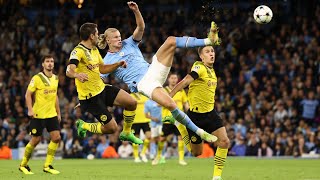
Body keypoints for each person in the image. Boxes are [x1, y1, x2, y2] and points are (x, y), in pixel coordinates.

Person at [99, 1, 221, 143]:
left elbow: (141, 27)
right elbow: (99, 80)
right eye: (115, 38)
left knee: (170, 41)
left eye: (119, 36)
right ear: (108, 40)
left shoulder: (129, 43)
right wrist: (91, 99)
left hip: (153, 69)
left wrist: (136, 11)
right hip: (143, 84)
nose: (119, 39)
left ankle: (209, 40)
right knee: (171, 105)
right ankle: (200, 132)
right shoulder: (106, 60)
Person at [66, 22, 142, 144]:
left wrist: (118, 64)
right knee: (112, 128)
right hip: (91, 98)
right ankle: (84, 126)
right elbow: (69, 70)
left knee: (131, 103)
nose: (98, 36)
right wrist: (76, 74)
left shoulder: (94, 50)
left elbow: (102, 69)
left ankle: (127, 132)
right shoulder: (78, 51)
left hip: (102, 89)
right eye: (97, 34)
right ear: (91, 36)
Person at [165, 46, 230, 180]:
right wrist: (169, 95)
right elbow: (185, 82)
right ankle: (181, 126)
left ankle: (217, 177)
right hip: (195, 117)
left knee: (224, 141)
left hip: (211, 114)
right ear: (201, 56)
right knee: (196, 153)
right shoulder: (199, 67)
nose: (211, 53)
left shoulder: (212, 71)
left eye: (212, 51)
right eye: (207, 52)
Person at [19, 55, 61, 175]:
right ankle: (23, 165)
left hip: (51, 114)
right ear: (43, 64)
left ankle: (47, 165)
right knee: (35, 140)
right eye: (47, 61)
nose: (50, 63)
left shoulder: (56, 78)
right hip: (38, 114)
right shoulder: (37, 78)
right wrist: (30, 109)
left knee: (56, 138)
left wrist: (58, 112)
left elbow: (55, 96)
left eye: (52, 61)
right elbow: (28, 94)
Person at [161, 73, 189, 165]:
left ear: (177, 79)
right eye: (172, 78)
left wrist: (189, 112)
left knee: (180, 138)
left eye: (175, 78)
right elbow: (158, 103)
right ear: (168, 79)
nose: (173, 80)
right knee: (163, 138)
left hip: (179, 118)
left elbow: (185, 104)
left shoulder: (181, 91)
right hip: (167, 118)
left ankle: (181, 159)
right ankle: (160, 156)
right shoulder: (164, 91)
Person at [130, 92, 151, 162]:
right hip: (135, 120)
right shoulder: (130, 96)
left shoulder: (146, 95)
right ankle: (136, 157)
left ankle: (142, 153)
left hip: (146, 120)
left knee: (149, 136)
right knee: (135, 139)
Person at [144, 99, 163, 165]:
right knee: (153, 138)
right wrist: (153, 118)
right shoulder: (148, 102)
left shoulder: (160, 99)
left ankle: (160, 154)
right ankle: (152, 153)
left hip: (162, 122)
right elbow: (146, 115)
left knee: (161, 138)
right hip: (154, 123)